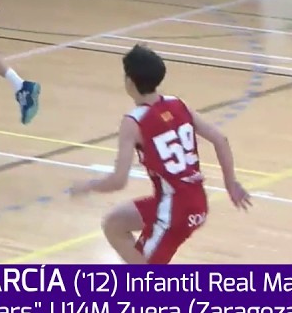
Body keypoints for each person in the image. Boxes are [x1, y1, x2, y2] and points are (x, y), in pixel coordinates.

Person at [68, 44, 251, 264]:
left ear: (129, 82)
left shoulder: (133, 122)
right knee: (114, 223)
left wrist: (88, 186)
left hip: (174, 212)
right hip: (193, 201)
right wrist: (231, 185)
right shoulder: (177, 104)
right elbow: (220, 140)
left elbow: (118, 181)